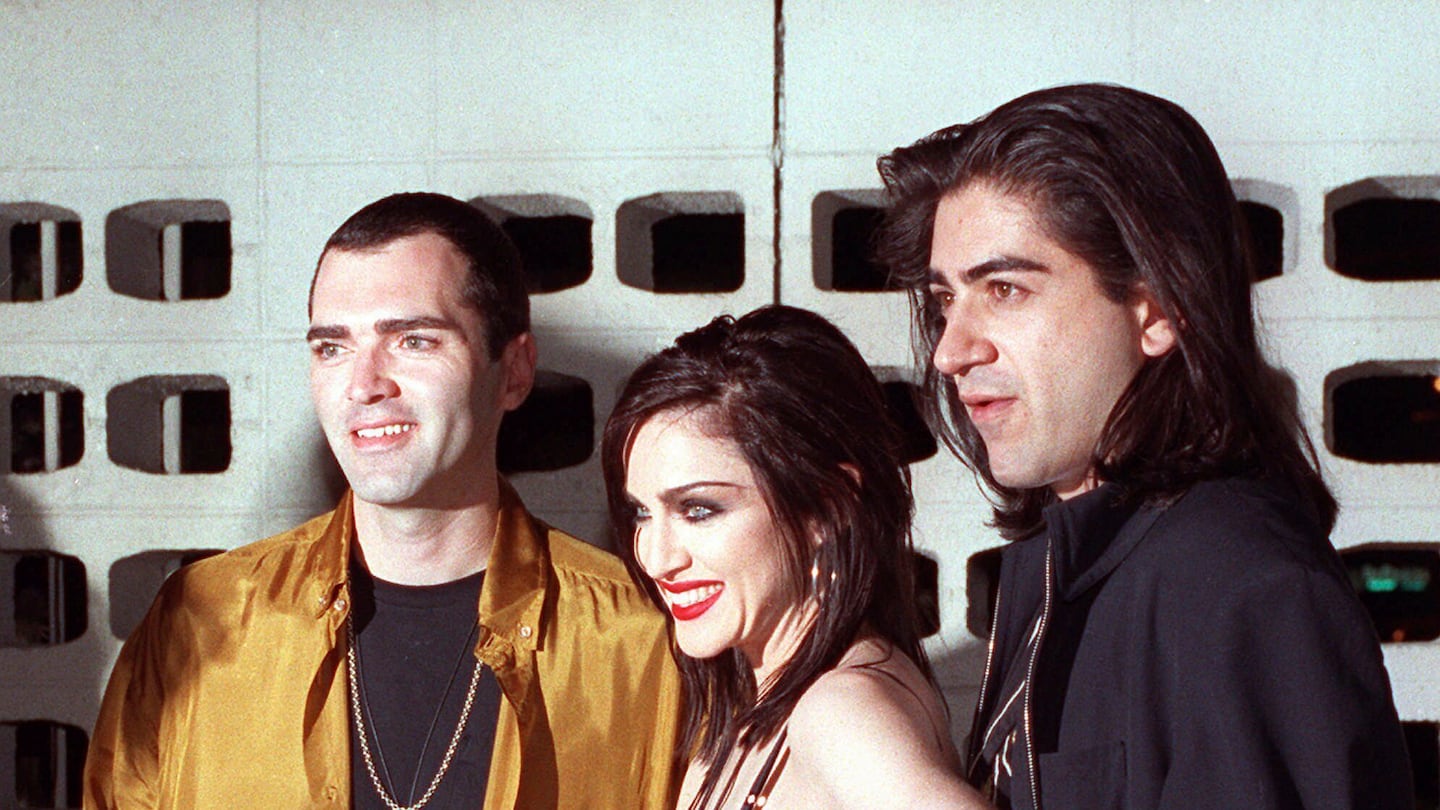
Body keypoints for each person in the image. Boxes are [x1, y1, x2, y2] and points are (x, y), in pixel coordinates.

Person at [874, 83, 1413, 808]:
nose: (950, 351)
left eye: (1003, 289)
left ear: (1157, 308)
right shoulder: (1053, 556)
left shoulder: (1237, 591)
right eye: (944, 300)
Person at [84, 192, 682, 809]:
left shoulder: (638, 642)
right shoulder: (199, 623)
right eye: (332, 348)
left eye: (414, 340)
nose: (364, 385)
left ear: (514, 372)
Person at [600, 304, 992, 810]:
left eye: (698, 510)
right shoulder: (760, 704)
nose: (656, 558)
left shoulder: (842, 714)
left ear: (826, 509)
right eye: (641, 513)